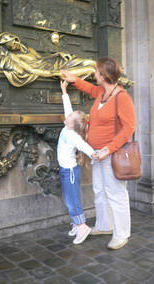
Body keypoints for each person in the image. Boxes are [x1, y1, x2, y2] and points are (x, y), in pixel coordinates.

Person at [61, 57, 136, 250]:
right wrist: (73, 79)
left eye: (96, 71)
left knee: (116, 193)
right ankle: (105, 226)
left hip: (111, 154)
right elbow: (90, 89)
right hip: (97, 153)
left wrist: (108, 149)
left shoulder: (122, 97)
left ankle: (121, 234)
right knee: (100, 191)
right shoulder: (102, 92)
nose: (94, 74)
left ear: (104, 75)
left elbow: (129, 129)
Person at [57, 80, 97, 244]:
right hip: (65, 169)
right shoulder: (69, 126)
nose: (67, 116)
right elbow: (68, 109)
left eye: (70, 117)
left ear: (72, 124)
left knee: (72, 200)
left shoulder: (73, 135)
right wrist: (64, 90)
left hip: (70, 172)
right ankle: (76, 223)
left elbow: (84, 146)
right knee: (67, 198)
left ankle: (82, 226)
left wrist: (94, 154)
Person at [0, 32, 96, 87]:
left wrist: (58, 54)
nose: (15, 45)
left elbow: (42, 59)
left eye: (15, 41)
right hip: (54, 71)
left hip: (56, 63)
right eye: (11, 46)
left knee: (93, 63)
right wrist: (55, 73)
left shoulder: (29, 49)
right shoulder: (14, 56)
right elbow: (32, 70)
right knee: (91, 70)